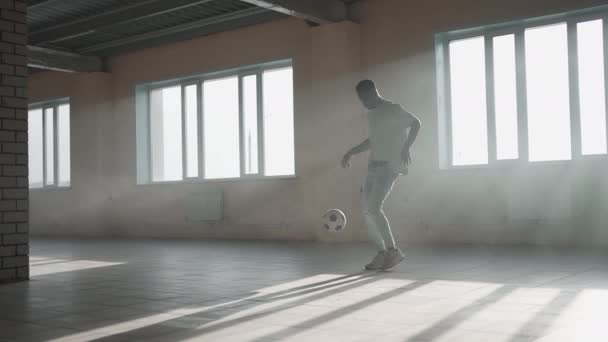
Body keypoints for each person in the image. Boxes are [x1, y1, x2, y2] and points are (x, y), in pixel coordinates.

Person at [342, 80, 421, 270]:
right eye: (361, 99)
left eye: (366, 97)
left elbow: (416, 123)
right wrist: (351, 151)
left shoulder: (393, 109)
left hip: (390, 167)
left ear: (375, 92)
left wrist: (406, 147)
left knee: (374, 207)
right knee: (367, 211)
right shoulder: (372, 115)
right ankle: (382, 253)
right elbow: (373, 141)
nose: (364, 102)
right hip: (373, 167)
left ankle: (393, 250)